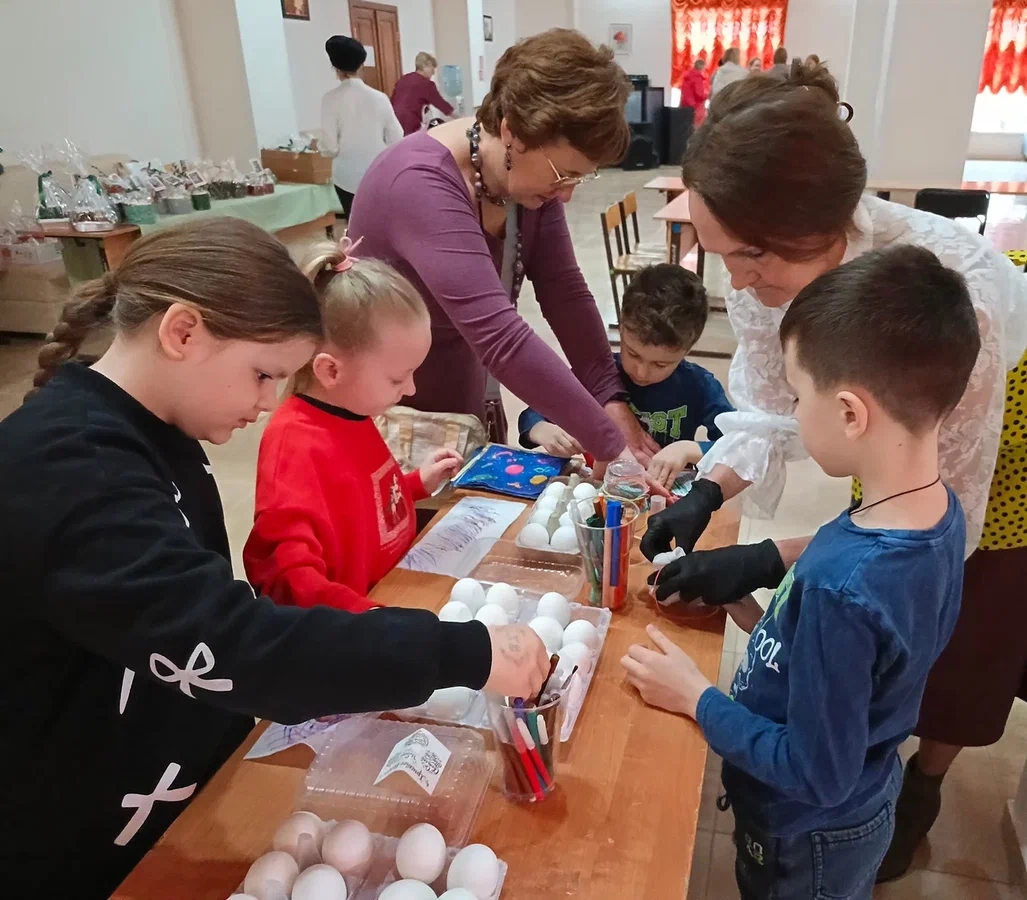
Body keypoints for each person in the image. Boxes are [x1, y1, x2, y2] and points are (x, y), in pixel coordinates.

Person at [0, 218, 549, 900]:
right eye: (262, 375)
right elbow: (228, 641)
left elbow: (184, 621)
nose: (268, 404)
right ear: (182, 332)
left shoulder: (157, 430)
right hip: (81, 839)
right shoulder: (69, 470)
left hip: (180, 779)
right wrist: (459, 651)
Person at [638, 57, 1027, 882]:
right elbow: (770, 409)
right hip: (885, 484)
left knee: (958, 641)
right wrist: (710, 488)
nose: (736, 282)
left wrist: (775, 563)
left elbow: (935, 535)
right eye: (720, 253)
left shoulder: (955, 300)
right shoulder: (767, 278)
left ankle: (918, 788)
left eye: (749, 257)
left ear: (819, 232)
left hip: (997, 436)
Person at [623, 244, 978, 899]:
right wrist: (747, 606)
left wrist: (695, 698)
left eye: (796, 395)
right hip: (853, 804)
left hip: (804, 836)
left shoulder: (846, 589)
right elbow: (860, 668)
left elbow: (817, 773)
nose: (791, 414)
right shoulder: (934, 514)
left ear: (849, 412)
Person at [348, 29, 662, 475]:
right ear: (512, 132)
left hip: (459, 403)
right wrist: (610, 444)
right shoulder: (418, 182)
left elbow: (564, 291)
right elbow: (501, 338)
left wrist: (610, 399)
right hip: (390, 414)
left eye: (580, 178)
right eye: (563, 174)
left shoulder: (525, 184)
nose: (566, 194)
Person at [245, 238, 463, 611]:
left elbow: (360, 503)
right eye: (397, 379)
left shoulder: (352, 410)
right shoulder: (293, 445)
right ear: (331, 371)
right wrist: (371, 623)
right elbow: (290, 578)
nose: (410, 389)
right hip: (352, 627)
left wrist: (414, 485)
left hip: (392, 593)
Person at [518, 264, 733, 490]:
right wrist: (541, 430)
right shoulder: (597, 375)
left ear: (687, 349)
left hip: (663, 494)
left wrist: (689, 449)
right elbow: (532, 414)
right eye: (633, 354)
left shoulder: (699, 385)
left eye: (660, 364)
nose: (641, 372)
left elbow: (739, 444)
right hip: (602, 490)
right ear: (621, 329)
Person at [320, 35, 403, 217]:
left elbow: (330, 147)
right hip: (378, 173)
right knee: (380, 223)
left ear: (335, 67)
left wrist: (320, 147)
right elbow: (396, 136)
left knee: (355, 224)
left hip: (346, 178)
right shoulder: (379, 97)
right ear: (361, 65)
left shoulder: (330, 99)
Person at [392, 51, 456, 136]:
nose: (433, 73)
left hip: (394, 123)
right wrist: (462, 119)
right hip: (410, 125)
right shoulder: (426, 84)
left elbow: (396, 101)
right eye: (432, 69)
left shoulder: (403, 79)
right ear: (425, 66)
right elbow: (444, 106)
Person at [680, 58, 710, 128]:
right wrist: (708, 95)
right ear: (702, 68)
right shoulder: (697, 78)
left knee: (686, 128)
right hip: (695, 107)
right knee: (697, 129)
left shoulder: (687, 77)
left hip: (685, 105)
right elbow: (699, 94)